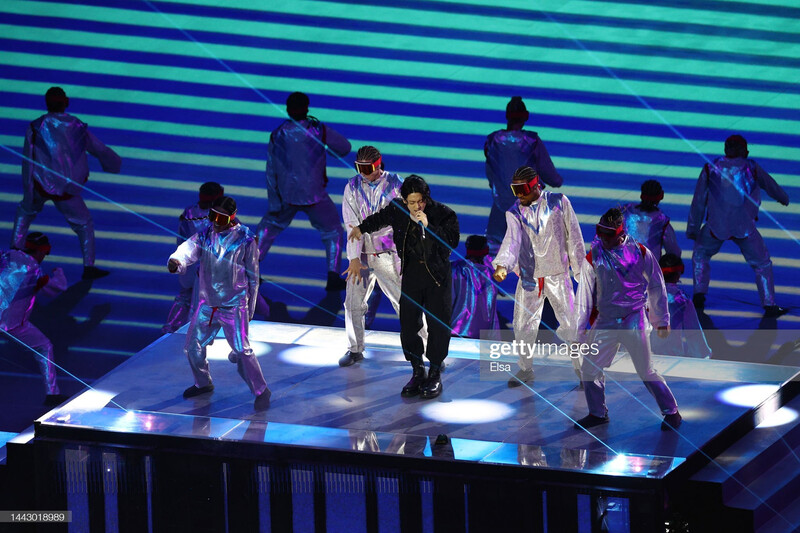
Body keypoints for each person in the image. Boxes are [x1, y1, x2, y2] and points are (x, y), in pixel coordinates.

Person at [348, 175, 459, 399]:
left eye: (421, 201)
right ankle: (418, 370)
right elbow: (379, 218)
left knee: (438, 326)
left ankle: (435, 372)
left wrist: (428, 225)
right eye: (412, 202)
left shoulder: (443, 213)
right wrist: (361, 228)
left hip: (437, 277)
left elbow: (452, 242)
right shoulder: (397, 208)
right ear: (404, 200)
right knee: (408, 325)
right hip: (411, 274)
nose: (417, 206)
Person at [574, 208, 681, 431]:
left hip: (634, 318)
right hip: (606, 319)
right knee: (589, 368)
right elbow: (584, 295)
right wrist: (579, 329)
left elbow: (656, 286)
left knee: (646, 370)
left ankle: (671, 411)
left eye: (608, 233)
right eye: (600, 232)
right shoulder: (593, 256)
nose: (603, 237)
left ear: (620, 233)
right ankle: (597, 412)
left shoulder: (640, 253)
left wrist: (661, 319)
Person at [168, 196, 271, 411]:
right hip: (208, 304)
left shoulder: (246, 239)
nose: (214, 221)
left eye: (219, 217)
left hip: (233, 305)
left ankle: (261, 390)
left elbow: (253, 277)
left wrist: (249, 311)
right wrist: (177, 261)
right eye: (212, 215)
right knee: (192, 347)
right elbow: (189, 248)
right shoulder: (206, 234)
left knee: (243, 351)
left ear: (231, 217)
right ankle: (203, 383)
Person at [11, 87, 122, 280]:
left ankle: (13, 256)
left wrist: (28, 190)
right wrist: (113, 163)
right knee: (84, 224)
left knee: (24, 213)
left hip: (40, 184)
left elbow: (27, 161)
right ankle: (88, 267)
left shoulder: (37, 126)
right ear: (66, 102)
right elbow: (98, 148)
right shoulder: (76, 126)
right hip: (65, 189)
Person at [493, 167, 585, 387]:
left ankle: (584, 371)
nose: (519, 194)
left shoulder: (559, 202)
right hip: (529, 277)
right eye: (515, 189)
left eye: (522, 188)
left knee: (572, 323)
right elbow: (511, 240)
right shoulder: (514, 212)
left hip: (557, 274)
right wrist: (503, 264)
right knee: (522, 325)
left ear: (535, 185)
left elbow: (574, 235)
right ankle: (525, 369)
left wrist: (580, 271)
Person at [256, 91, 351, 291]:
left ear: (288, 109)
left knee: (268, 228)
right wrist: (325, 147)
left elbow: (271, 169)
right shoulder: (318, 130)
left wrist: (274, 202)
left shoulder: (278, 134)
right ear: (306, 108)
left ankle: (247, 272)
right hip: (314, 194)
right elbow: (344, 148)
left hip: (286, 196)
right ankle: (333, 275)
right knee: (333, 231)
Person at [687, 134, 790, 317]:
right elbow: (770, 185)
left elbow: (699, 200)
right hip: (744, 226)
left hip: (716, 225)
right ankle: (769, 304)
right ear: (743, 149)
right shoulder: (752, 168)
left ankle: (699, 295)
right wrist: (783, 198)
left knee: (701, 255)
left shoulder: (711, 168)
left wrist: (693, 228)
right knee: (762, 263)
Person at [340, 146, 404, 367]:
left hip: (389, 253)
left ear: (378, 164)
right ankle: (355, 349)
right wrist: (354, 258)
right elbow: (351, 223)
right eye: (360, 167)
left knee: (406, 304)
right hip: (362, 256)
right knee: (352, 303)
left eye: (368, 167)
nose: (363, 172)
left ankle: (426, 352)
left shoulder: (397, 184)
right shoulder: (353, 186)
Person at [484, 96, 563, 252]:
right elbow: (548, 172)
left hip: (501, 207)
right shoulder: (531, 141)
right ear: (525, 116)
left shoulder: (492, 141)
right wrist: (557, 180)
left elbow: (490, 173)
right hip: (529, 208)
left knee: (497, 252)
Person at [0, 232, 67, 405]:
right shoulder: (37, 271)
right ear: (40, 251)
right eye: (45, 252)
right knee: (44, 347)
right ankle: (52, 394)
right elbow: (58, 288)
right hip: (13, 325)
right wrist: (59, 273)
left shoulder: (7, 255)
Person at [161, 182, 224, 334]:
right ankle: (193, 332)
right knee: (200, 301)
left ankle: (171, 325)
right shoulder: (217, 216)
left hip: (187, 262)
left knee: (185, 296)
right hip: (205, 266)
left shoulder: (189, 212)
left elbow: (181, 237)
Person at [650, 254, 711, 359]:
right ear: (678, 274)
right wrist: (702, 353)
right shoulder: (682, 300)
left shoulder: (645, 294)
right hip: (671, 355)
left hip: (646, 353)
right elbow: (693, 330)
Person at [450, 235, 499, 338]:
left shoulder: (456, 268)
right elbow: (491, 307)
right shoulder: (490, 274)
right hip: (482, 334)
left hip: (456, 330)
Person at [621, 180, 680, 261]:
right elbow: (673, 251)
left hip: (623, 266)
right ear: (660, 196)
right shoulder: (661, 221)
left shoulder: (625, 211)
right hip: (648, 269)